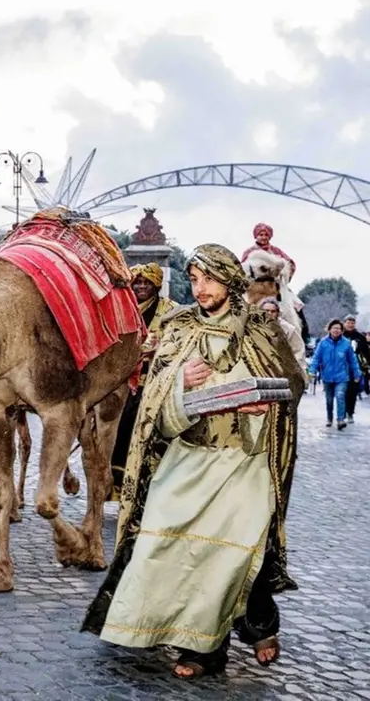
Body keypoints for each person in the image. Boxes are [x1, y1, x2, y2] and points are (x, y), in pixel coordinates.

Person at [82, 244, 304, 680]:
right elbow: (152, 402)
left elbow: (292, 385)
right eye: (195, 279)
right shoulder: (177, 328)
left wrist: (268, 408)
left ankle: (209, 649)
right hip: (188, 456)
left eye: (209, 279)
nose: (200, 288)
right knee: (161, 546)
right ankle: (166, 627)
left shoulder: (262, 330)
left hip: (245, 460)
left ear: (229, 280)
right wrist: (178, 381)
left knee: (232, 557)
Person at [110, 263, 176, 499]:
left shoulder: (171, 310)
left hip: (155, 381)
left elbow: (175, 341)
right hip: (121, 380)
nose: (140, 286)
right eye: (137, 282)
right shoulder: (119, 307)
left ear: (156, 285)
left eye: (146, 283)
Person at [309, 319, 361, 431]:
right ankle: (329, 418)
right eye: (334, 328)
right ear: (329, 329)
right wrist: (312, 370)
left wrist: (357, 373)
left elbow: (353, 360)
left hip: (342, 377)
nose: (336, 330)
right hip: (327, 376)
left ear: (342, 331)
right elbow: (316, 358)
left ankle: (340, 420)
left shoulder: (346, 343)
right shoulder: (323, 343)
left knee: (340, 396)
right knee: (329, 399)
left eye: (338, 328)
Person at [259, 298, 307, 379]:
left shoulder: (289, 329)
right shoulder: (251, 327)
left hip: (282, 373)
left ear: (278, 313)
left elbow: (298, 351)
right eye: (266, 311)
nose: (269, 313)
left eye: (273, 311)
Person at [341, 315, 369, 424]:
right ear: (344, 323)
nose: (350, 325)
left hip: (355, 368)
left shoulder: (359, 337)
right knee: (342, 390)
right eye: (348, 323)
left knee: (353, 391)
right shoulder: (340, 335)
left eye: (352, 323)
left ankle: (350, 412)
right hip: (341, 367)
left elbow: (366, 352)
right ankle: (342, 412)